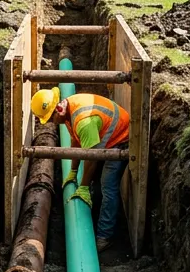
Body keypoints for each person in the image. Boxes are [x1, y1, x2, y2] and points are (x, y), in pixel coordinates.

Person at [30, 87, 130, 252]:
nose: (51, 123)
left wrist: (83, 187)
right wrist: (73, 172)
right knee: (98, 181)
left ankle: (104, 236)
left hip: (121, 139)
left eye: (50, 118)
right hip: (107, 135)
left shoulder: (84, 121)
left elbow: (91, 158)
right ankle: (95, 205)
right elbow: (76, 144)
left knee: (108, 186)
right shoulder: (70, 108)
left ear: (58, 110)